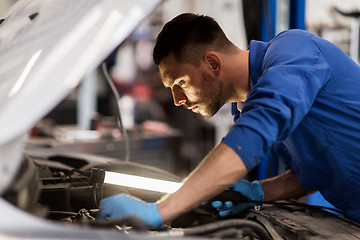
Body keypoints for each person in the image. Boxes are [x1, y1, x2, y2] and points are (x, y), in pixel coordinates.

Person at [97, 13, 360, 229]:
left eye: (180, 83)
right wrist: (258, 192)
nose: (177, 99)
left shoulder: (295, 51)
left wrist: (160, 210)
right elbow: (317, 169)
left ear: (212, 63)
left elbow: (255, 133)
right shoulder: (247, 107)